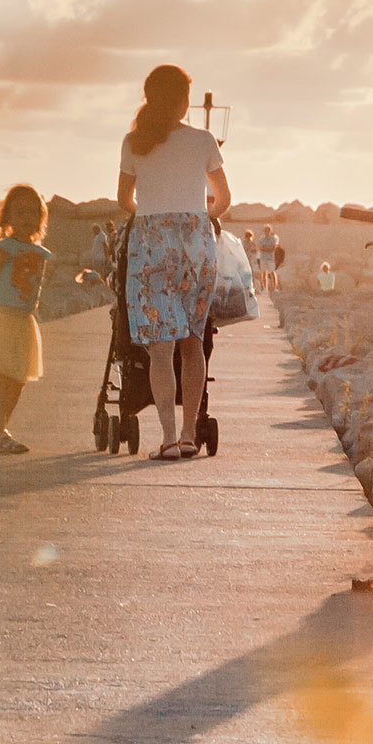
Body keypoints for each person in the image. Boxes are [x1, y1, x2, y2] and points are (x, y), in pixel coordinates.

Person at [116, 63, 228, 460]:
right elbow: (223, 200)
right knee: (192, 341)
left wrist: (154, 212)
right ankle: (187, 435)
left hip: (150, 242)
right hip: (195, 242)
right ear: (184, 101)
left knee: (160, 349)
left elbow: (123, 200)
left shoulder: (134, 142)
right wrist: (196, 213)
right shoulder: (203, 140)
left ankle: (165, 438)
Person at [0, 184, 51, 454]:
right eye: (19, 212)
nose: (26, 218)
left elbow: (34, 289)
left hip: (24, 320)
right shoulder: (3, 248)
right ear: (8, 217)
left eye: (32, 212)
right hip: (3, 317)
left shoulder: (40, 254)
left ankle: (2, 428)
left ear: (40, 218)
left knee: (19, 379)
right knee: (4, 376)